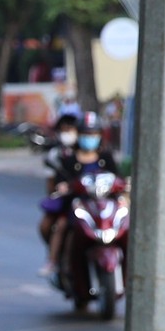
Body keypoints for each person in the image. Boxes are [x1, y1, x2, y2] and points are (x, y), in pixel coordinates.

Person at [38, 112, 110, 277]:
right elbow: (59, 182)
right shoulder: (69, 159)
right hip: (77, 206)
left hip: (101, 206)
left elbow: (117, 179)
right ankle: (53, 260)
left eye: (92, 134)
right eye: (85, 134)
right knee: (62, 225)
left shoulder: (105, 158)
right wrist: (65, 187)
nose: (89, 137)